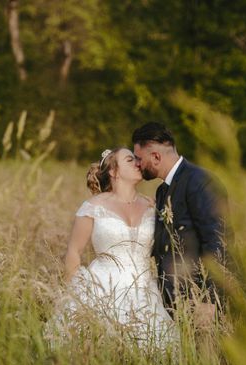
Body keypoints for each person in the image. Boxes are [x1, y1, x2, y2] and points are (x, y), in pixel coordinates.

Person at [51, 147, 176, 347]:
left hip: (143, 290)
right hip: (101, 288)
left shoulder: (153, 206)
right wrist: (71, 294)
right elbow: (74, 252)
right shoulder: (93, 206)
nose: (138, 162)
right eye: (130, 159)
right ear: (114, 171)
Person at [132, 122, 228, 317]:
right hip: (173, 299)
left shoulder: (200, 181)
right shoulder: (162, 190)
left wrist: (210, 299)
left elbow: (218, 241)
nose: (137, 164)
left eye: (139, 158)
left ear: (156, 157)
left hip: (198, 300)